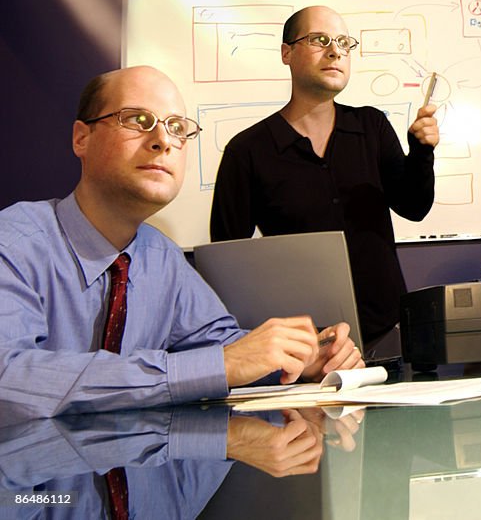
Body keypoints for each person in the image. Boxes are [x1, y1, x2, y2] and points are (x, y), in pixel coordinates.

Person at [0, 67, 363, 419]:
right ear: (82, 138)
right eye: (138, 120)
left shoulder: (162, 257)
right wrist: (218, 366)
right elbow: (9, 379)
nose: (162, 141)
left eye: (177, 128)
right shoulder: (13, 243)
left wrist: (298, 358)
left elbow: (220, 347)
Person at [210, 6, 438, 346]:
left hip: (389, 334)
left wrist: (421, 151)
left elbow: (414, 207)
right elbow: (228, 260)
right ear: (287, 53)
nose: (334, 51)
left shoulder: (371, 127)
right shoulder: (248, 151)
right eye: (319, 40)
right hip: (303, 348)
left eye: (344, 43)